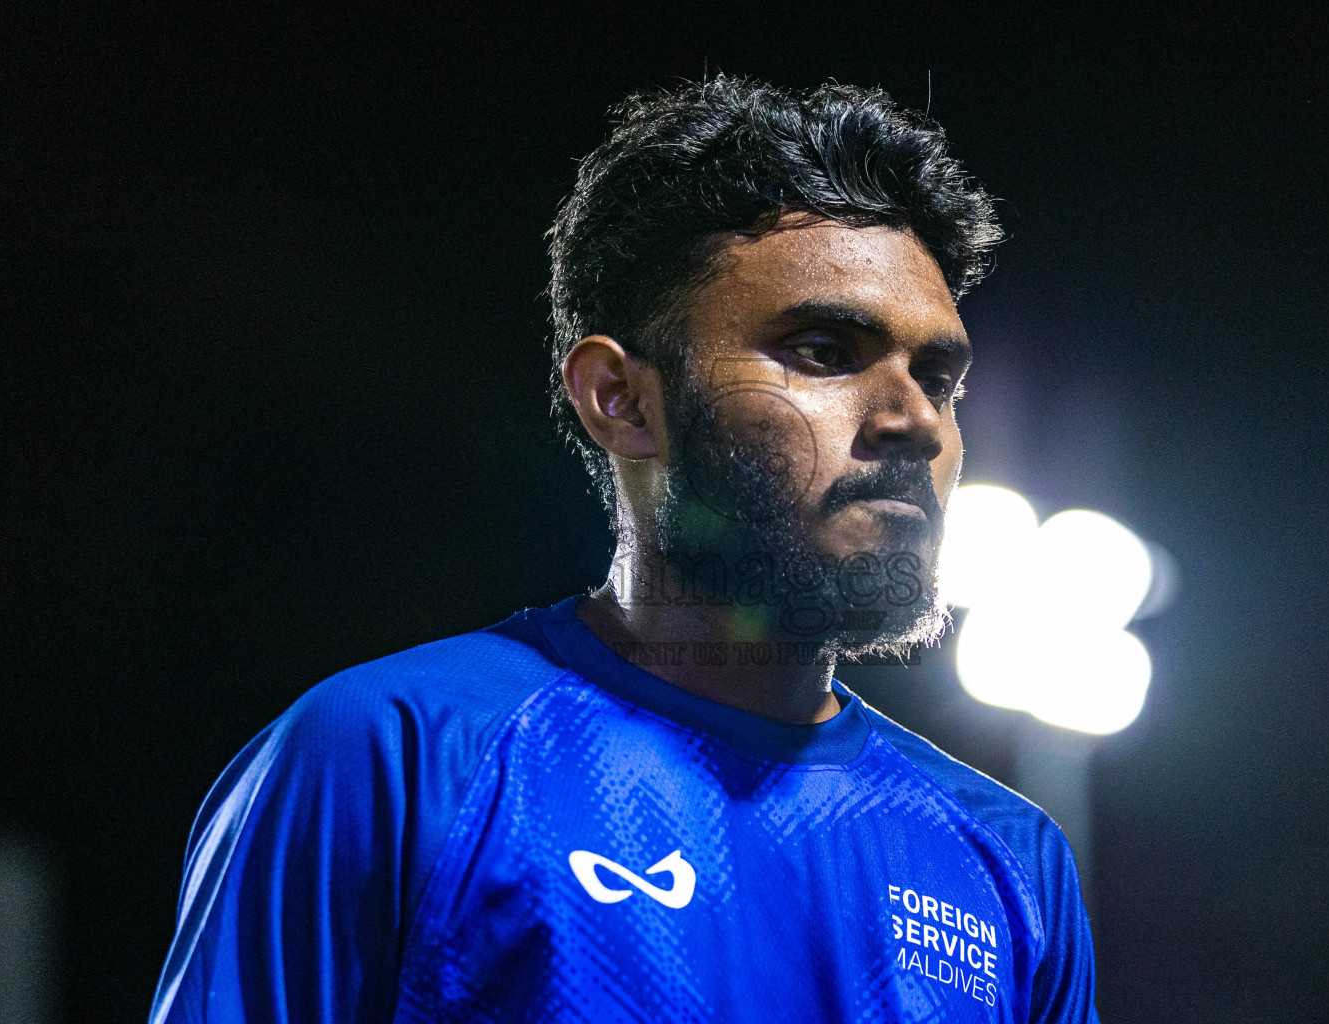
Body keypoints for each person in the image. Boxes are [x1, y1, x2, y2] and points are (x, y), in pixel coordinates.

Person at [148, 76, 1100, 1023]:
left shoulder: (1010, 862)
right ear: (621, 399)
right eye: (821, 350)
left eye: (939, 377)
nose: (913, 421)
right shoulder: (393, 755)